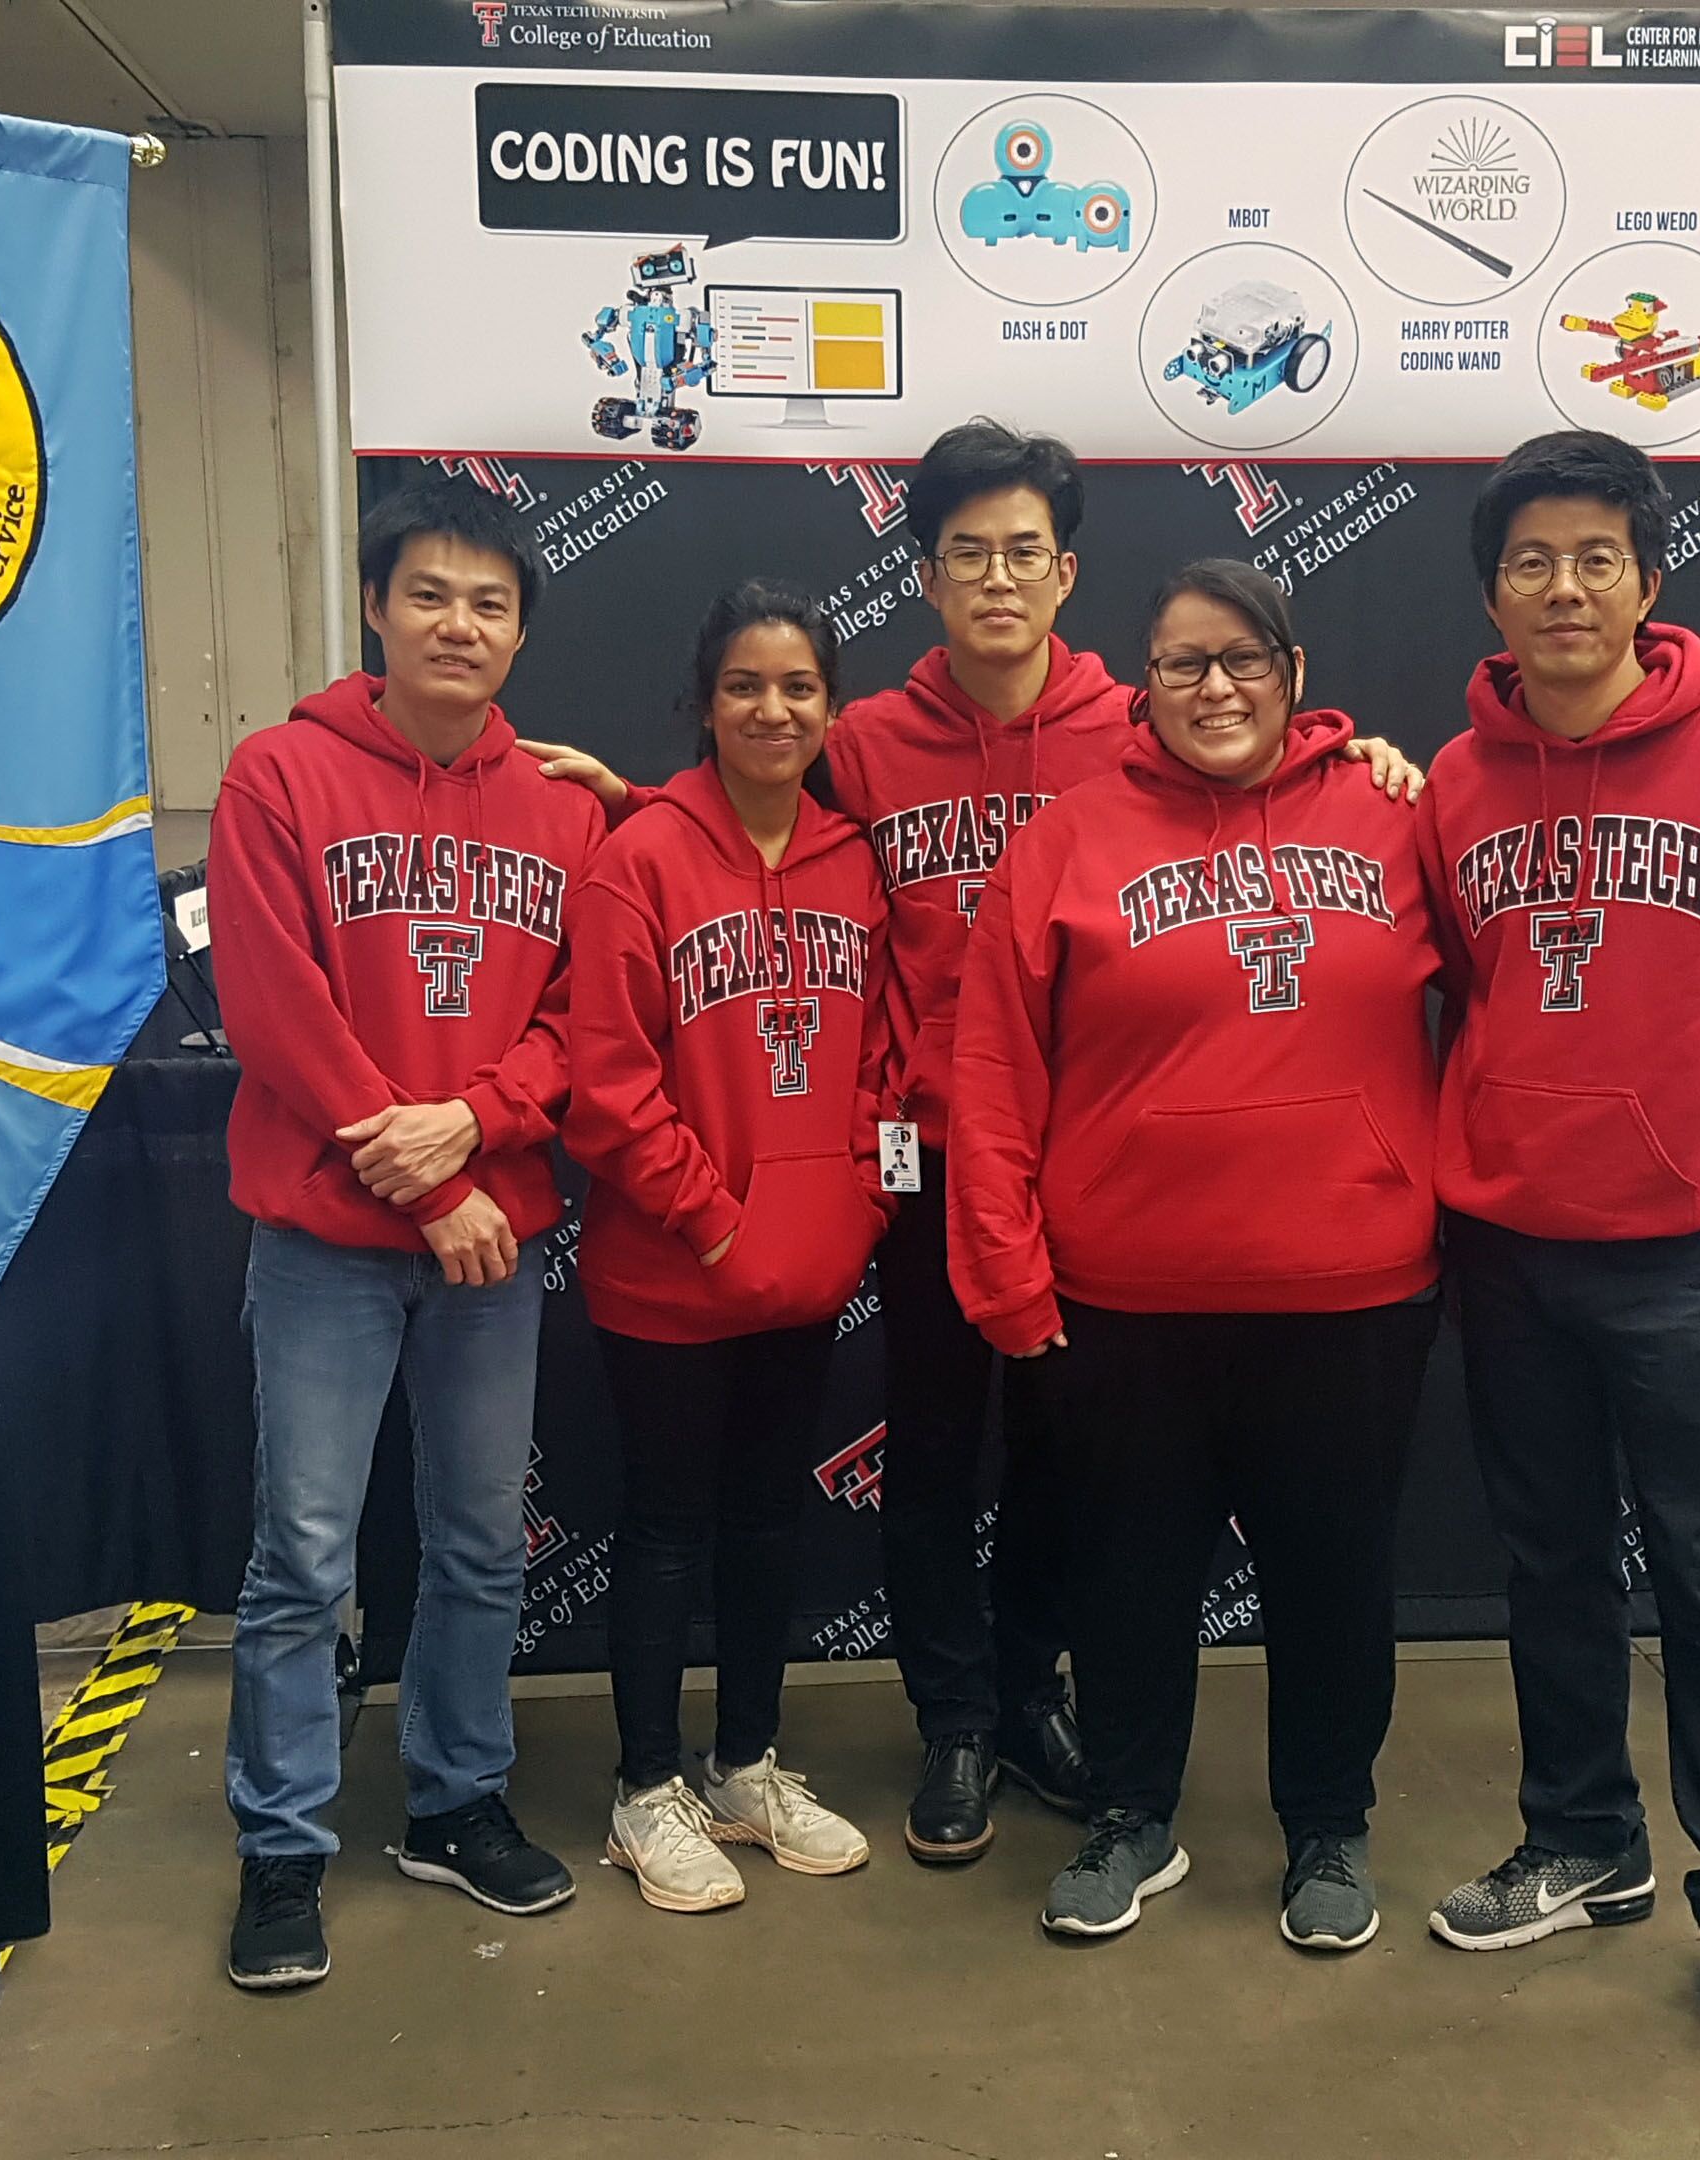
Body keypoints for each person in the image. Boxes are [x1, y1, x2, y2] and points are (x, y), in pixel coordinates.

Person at [533, 417, 1423, 1868]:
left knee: (1073, 1471)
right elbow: (748, 837)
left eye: (1024, 552)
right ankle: (951, 1716)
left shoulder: (1132, 726)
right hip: (924, 1153)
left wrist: (1364, 756)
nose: (997, 579)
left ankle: (1031, 1697)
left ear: (1066, 573)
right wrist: (627, 807)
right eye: (966, 555)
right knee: (931, 1455)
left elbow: (1259, 770)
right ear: (928, 577)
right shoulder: (868, 737)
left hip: (1099, 1166)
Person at [1419, 430, 1700, 2079]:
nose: (1565, 587)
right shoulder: (1455, 787)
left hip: (1697, 1247)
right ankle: (1581, 1838)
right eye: (1533, 560)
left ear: (1647, 579)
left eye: (1596, 558)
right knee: (1546, 1569)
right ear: (1492, 591)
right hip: (1507, 1241)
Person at [950, 560, 1444, 1952]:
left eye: (1242, 659)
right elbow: (992, 1065)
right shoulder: (1068, 838)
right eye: (1181, 664)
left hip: (1349, 1291)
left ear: (1293, 671)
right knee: (1128, 1573)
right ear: (1141, 681)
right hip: (1128, 1297)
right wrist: (1003, 1268)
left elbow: (1519, 1003)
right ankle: (1129, 1816)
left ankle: (1330, 1828)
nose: (1215, 688)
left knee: (1334, 1576)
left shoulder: (1400, 817)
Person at [205, 478, 606, 1991]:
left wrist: (482, 1124)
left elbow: (582, 1020)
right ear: (376, 607)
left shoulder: (566, 808)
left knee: (482, 1543)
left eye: (491, 603)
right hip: (333, 1240)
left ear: (518, 633)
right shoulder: (278, 777)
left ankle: (455, 1802)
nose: (460, 623)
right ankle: (283, 1848)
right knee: (304, 1555)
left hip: (494, 1241)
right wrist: (431, 1180)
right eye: (431, 593)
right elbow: (274, 1010)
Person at [564, 580, 893, 1913]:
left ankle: (747, 1761)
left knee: (768, 1521)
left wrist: (853, 1207)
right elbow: (606, 1080)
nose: (773, 709)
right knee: (663, 1530)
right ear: (705, 703)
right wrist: (715, 1221)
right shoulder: (637, 857)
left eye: (799, 686)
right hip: (668, 1275)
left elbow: (882, 1058)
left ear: (830, 708)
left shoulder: (854, 859)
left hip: (807, 1269)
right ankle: (648, 1790)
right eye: (746, 686)